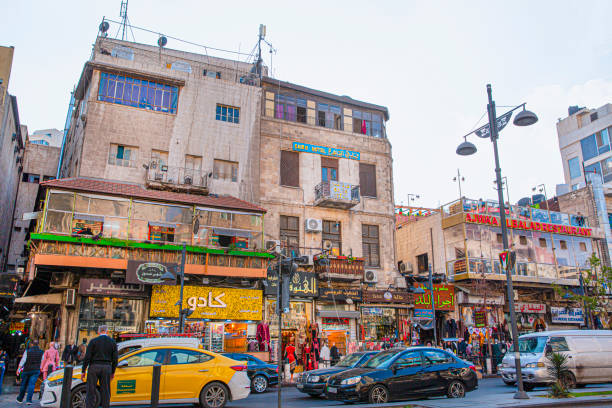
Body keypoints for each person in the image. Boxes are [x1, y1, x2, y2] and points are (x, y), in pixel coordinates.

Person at [81, 325, 118, 408]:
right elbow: (115, 359)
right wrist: (113, 371)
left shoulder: (93, 341)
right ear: (107, 332)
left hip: (94, 366)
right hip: (107, 367)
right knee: (106, 390)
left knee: (91, 390)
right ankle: (105, 406)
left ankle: (90, 406)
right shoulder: (112, 342)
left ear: (98, 332)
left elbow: (87, 357)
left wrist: (83, 370)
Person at [16, 339, 43, 405]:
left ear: (32, 344)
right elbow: (42, 361)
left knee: (23, 384)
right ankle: (29, 400)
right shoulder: (41, 352)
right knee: (32, 385)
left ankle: (20, 399)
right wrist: (40, 368)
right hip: (35, 370)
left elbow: (23, 360)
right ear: (38, 344)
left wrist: (19, 369)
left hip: (27, 369)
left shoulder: (27, 351)